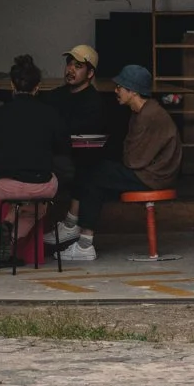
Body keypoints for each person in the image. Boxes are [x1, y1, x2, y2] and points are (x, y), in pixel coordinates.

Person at [57, 64, 182, 262]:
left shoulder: (150, 115)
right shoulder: (139, 111)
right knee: (93, 175)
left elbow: (133, 159)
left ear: (132, 91)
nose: (116, 91)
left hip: (153, 177)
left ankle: (75, 230)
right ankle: (82, 240)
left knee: (92, 170)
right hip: (146, 172)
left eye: (120, 87)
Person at [0, 54, 70, 234]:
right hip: (39, 185)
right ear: (37, 87)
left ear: (11, 85)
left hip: (4, 186)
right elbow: (63, 147)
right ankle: (10, 239)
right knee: (41, 204)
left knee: (20, 200)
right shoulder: (50, 113)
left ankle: (6, 230)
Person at [42, 44, 120, 242]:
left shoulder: (94, 102)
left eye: (78, 66)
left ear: (90, 73)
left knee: (89, 166)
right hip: (53, 159)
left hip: (76, 164)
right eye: (69, 64)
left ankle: (72, 223)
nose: (71, 70)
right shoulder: (54, 96)